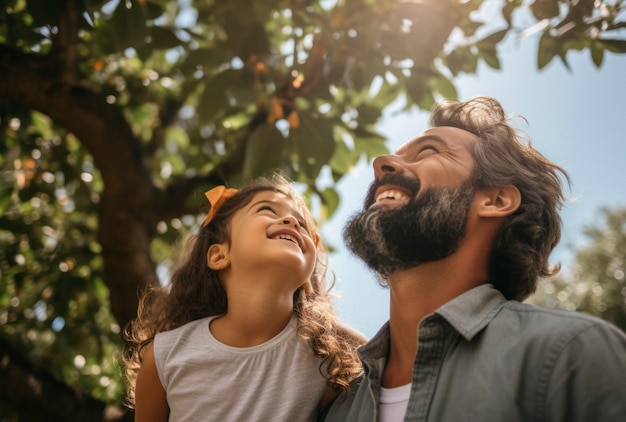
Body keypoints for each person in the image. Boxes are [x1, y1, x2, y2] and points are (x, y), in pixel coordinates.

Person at [321, 96, 626, 421]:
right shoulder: (338, 404)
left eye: (427, 151)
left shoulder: (573, 355)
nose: (381, 163)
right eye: (395, 155)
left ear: (495, 200)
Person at [122, 174, 365, 421]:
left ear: (307, 279)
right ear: (218, 256)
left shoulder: (339, 353)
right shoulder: (166, 355)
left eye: (303, 225)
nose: (292, 221)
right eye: (267, 210)